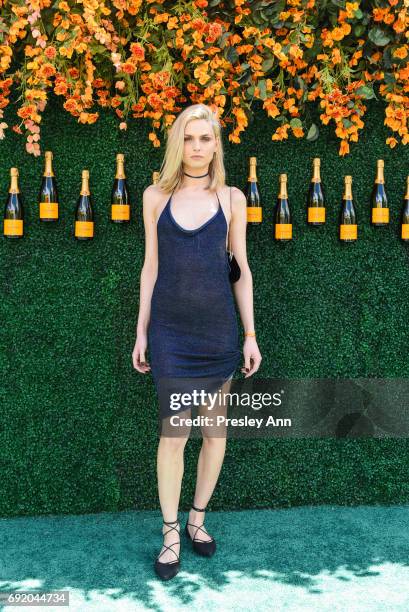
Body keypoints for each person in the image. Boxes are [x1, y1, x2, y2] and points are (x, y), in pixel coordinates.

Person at [132, 103, 262, 580]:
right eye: (189, 139)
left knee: (214, 433)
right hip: (170, 334)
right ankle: (170, 533)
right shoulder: (154, 197)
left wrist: (249, 335)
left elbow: (241, 271)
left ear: (216, 144)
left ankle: (197, 521)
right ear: (177, 144)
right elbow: (151, 267)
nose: (198, 148)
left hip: (218, 334)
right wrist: (142, 329)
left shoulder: (231, 200)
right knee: (173, 436)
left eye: (206, 139)